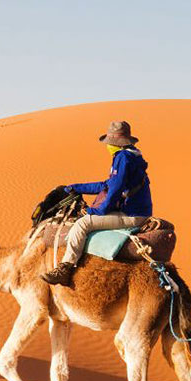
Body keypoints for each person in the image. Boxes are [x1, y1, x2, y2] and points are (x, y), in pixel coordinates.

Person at [42, 120, 152, 287]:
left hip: (132, 215)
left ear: (115, 144)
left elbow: (115, 189)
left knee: (83, 223)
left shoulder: (122, 158)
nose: (107, 146)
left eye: (109, 143)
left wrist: (99, 211)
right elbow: (107, 185)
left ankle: (66, 268)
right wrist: (76, 188)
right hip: (136, 211)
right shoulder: (132, 155)